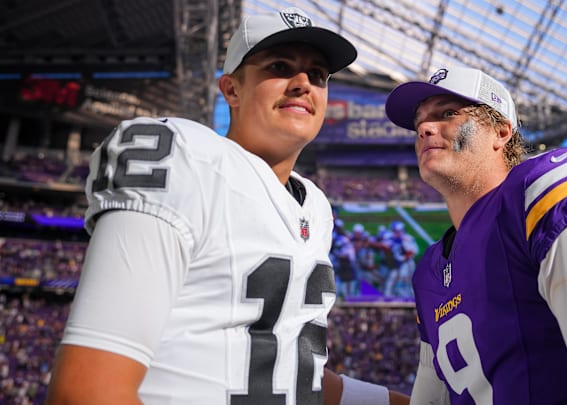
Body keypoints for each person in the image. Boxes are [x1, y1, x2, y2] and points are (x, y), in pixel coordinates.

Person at [46, 7, 408, 405]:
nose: (303, 83)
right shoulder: (186, 159)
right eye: (280, 66)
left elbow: (287, 372)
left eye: (318, 75)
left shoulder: (315, 207)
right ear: (232, 90)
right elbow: (86, 390)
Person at [384, 66, 567, 404]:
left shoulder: (540, 192)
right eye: (420, 122)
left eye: (448, 113)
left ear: (501, 132)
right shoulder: (429, 270)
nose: (426, 128)